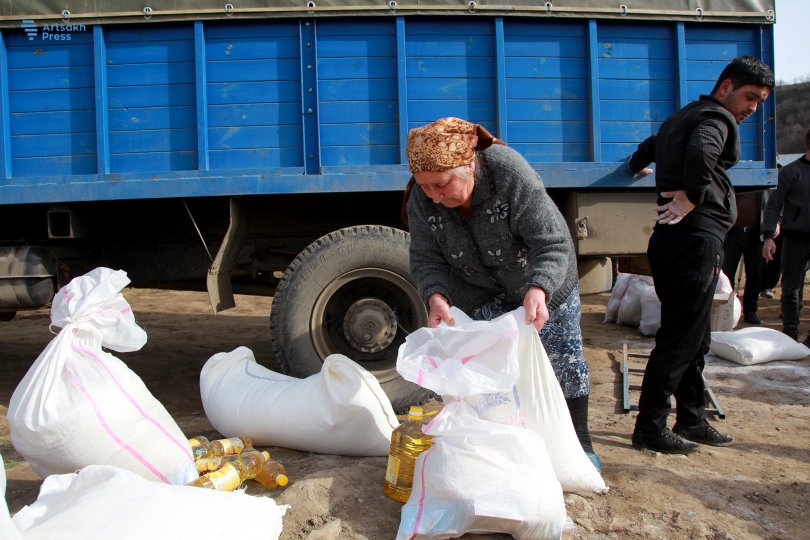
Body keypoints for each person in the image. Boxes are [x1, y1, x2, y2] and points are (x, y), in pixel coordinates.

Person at [404, 117, 601, 471]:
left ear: (467, 165)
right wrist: (435, 295)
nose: (433, 195)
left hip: (542, 284)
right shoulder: (423, 198)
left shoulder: (508, 174)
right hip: (481, 293)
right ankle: (510, 449)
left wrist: (539, 287)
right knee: (493, 376)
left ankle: (579, 446)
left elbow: (553, 243)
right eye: (425, 186)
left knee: (563, 363)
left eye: (441, 185)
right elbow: (425, 257)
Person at [627, 56, 773, 454]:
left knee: (695, 336)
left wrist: (639, 167)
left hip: (673, 242)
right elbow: (701, 154)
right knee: (679, 340)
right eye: (750, 98)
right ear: (726, 87)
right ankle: (650, 427)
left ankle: (691, 418)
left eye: (760, 102)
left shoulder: (681, 117)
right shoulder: (715, 119)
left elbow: (647, 150)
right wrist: (694, 195)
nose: (752, 109)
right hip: (695, 242)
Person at [762, 128, 810, 343]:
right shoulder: (792, 172)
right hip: (795, 238)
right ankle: (790, 333)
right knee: (791, 287)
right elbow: (774, 205)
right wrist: (769, 236)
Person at [722, 190, 767, 324]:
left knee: (754, 274)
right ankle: (727, 308)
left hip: (756, 235)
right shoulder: (735, 181)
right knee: (727, 273)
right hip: (733, 234)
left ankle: (750, 311)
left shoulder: (764, 186)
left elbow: (775, 206)